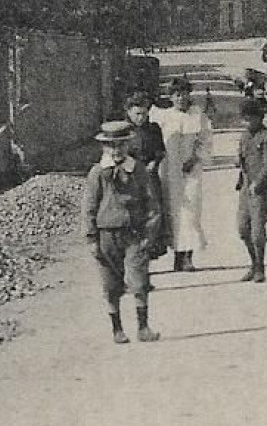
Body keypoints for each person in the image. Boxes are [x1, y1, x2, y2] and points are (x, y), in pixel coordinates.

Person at [82, 120, 166, 344]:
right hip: (106, 235)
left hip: (134, 234)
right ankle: (117, 329)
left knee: (139, 281)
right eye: (111, 146)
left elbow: (152, 204)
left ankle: (143, 327)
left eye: (121, 145)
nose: (116, 151)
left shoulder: (137, 170)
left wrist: (149, 234)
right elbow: (89, 206)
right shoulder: (98, 172)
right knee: (110, 284)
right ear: (103, 148)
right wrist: (91, 238)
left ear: (128, 145)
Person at [150, 77, 212, 272]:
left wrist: (195, 158)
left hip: (191, 171)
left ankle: (188, 257)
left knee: (191, 213)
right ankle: (177, 256)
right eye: (177, 95)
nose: (181, 98)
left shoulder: (197, 116)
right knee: (172, 213)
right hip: (169, 171)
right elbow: (150, 137)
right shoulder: (163, 117)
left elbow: (205, 142)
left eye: (184, 94)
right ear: (171, 97)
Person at [235, 96, 267, 283]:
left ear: (259, 118)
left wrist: (257, 183)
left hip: (260, 190)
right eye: (244, 118)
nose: (247, 122)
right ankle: (253, 263)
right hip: (246, 187)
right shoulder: (245, 136)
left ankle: (260, 266)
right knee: (242, 228)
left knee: (257, 231)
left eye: (250, 118)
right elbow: (243, 162)